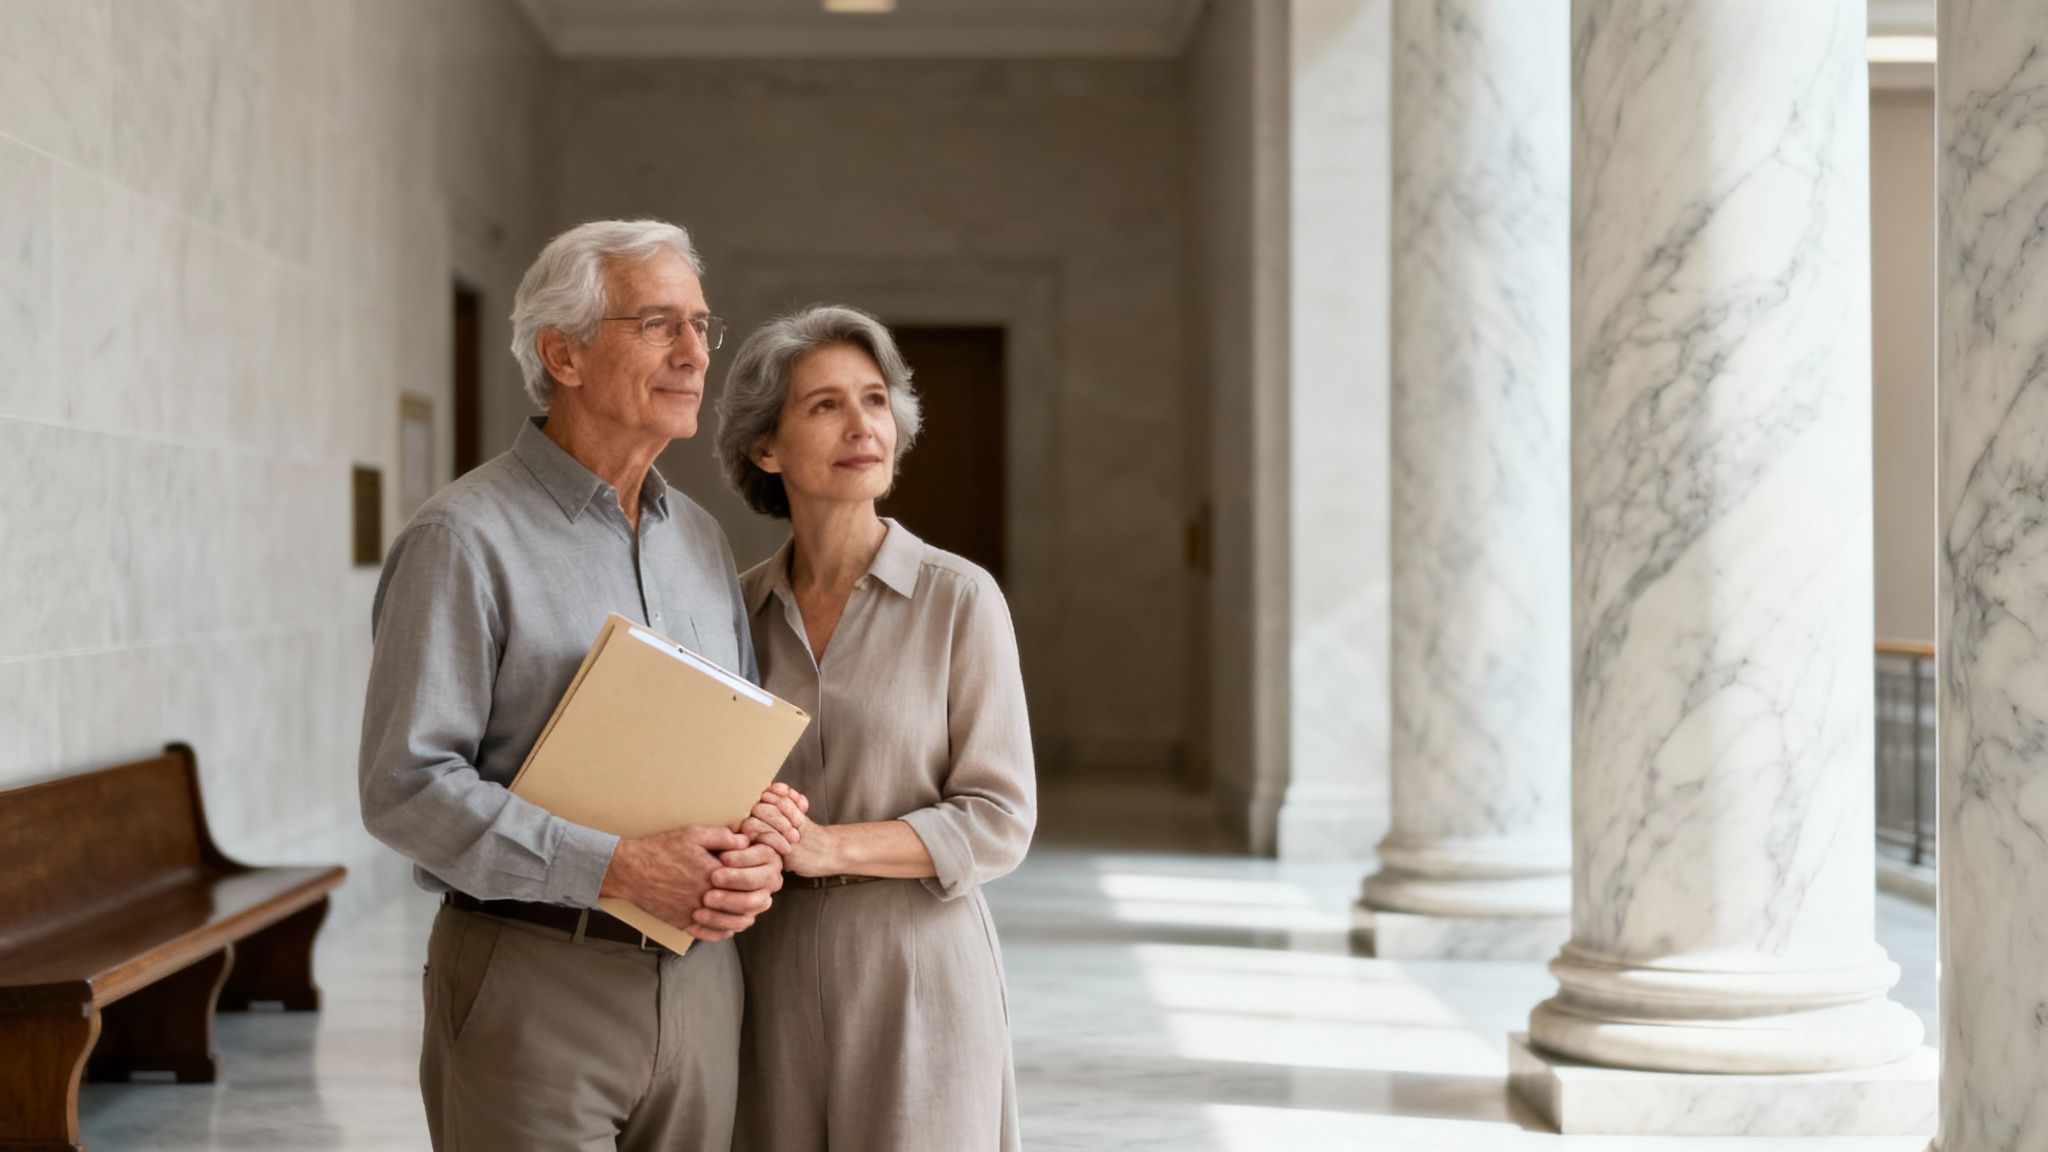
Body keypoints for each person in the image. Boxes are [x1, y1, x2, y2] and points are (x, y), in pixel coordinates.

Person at [359, 219, 794, 1151]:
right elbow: (405, 789)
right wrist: (617, 868)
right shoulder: (462, 539)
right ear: (563, 352)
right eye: (659, 325)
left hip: (702, 987)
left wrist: (758, 841)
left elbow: (738, 746)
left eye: (702, 327)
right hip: (532, 978)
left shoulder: (703, 543)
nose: (694, 355)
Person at [714, 304, 1037, 1151]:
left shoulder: (959, 599)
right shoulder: (730, 609)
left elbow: (1001, 821)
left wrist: (830, 848)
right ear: (766, 447)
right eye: (824, 405)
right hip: (764, 971)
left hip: (919, 968)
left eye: (874, 399)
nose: (863, 425)